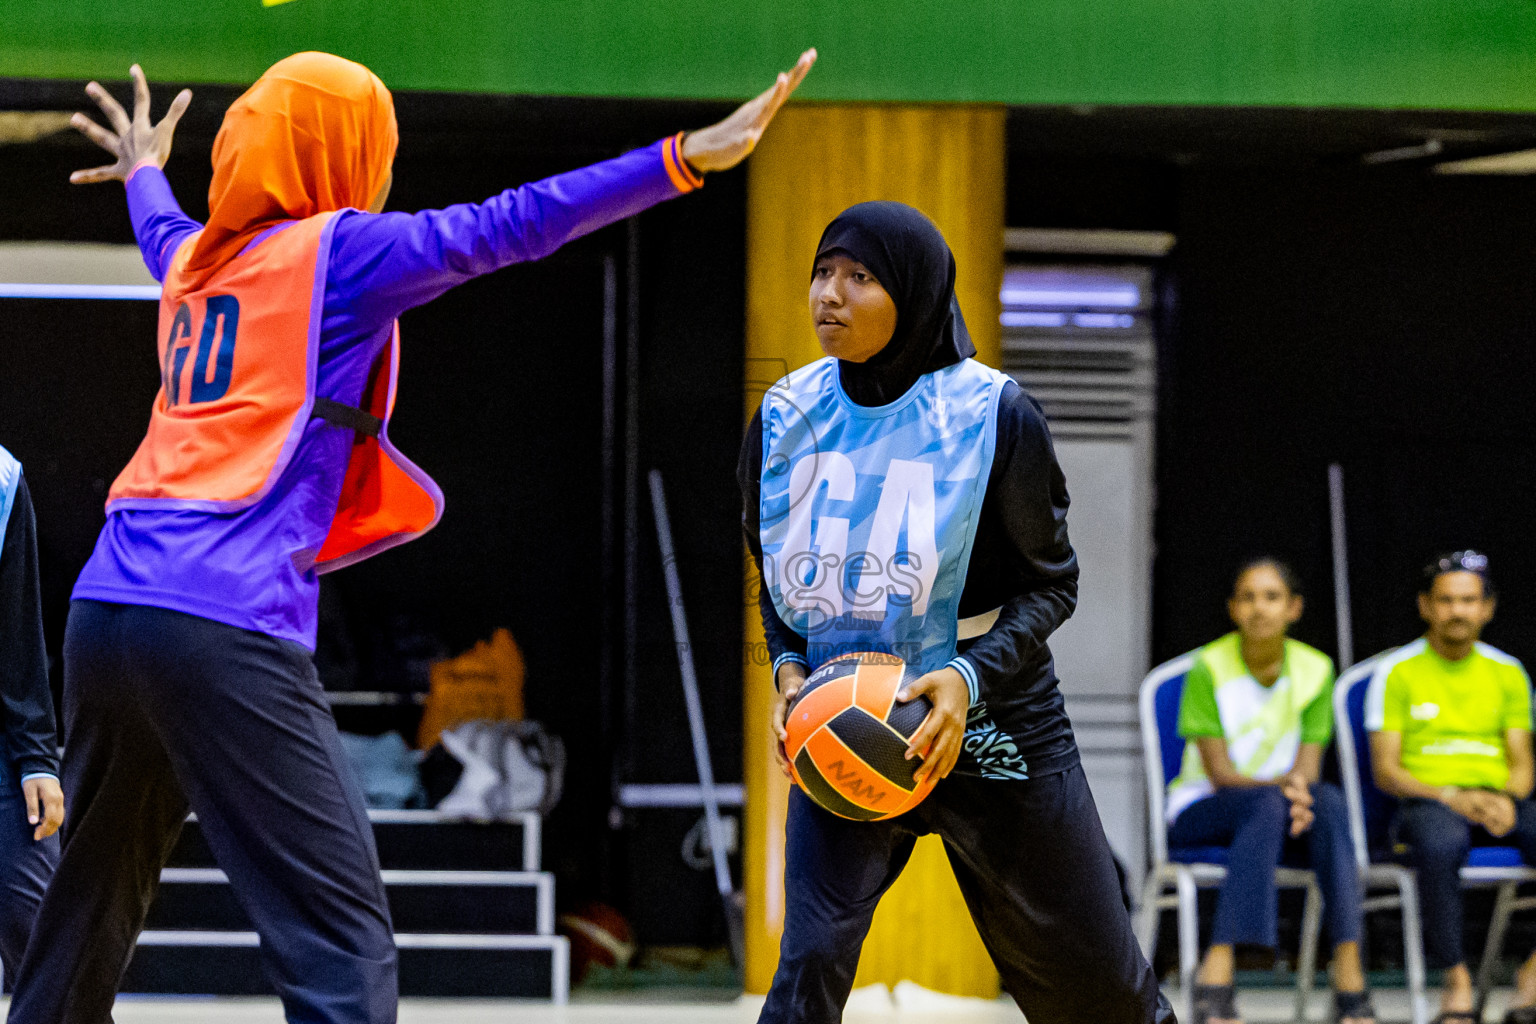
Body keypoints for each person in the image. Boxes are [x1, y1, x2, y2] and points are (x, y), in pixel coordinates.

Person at [13, 49, 814, 1023]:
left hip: (106, 614)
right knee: (341, 942)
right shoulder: (339, 255)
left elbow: (160, 221)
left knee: (85, 909)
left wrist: (145, 165)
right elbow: (512, 224)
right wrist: (682, 157)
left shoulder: (194, 263)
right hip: (219, 621)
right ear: (340, 153)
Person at [740, 201, 1173, 1024]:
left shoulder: (996, 414)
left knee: (1100, 991)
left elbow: (1053, 585)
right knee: (810, 967)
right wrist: (789, 665)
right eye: (822, 272)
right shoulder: (783, 418)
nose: (829, 294)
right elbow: (776, 574)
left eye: (859, 277)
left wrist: (968, 677)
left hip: (993, 718)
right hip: (846, 718)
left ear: (915, 292)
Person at [1165, 559, 1372, 1024]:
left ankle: (1348, 963)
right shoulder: (1208, 667)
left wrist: (1295, 795)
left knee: (1331, 801)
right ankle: (1219, 962)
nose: (1260, 608)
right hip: (1204, 806)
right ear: (1233, 609)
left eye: (1272, 596)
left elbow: (1309, 768)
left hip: (1280, 809)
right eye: (1248, 596)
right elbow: (1220, 773)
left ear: (1294, 608)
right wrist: (1288, 794)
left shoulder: (1317, 669)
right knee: (1266, 805)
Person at [1367, 551, 1536, 1024]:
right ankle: (1456, 980)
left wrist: (1506, 799)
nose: (1457, 611)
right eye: (1445, 601)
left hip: (1495, 796)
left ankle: (1533, 974)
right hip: (1426, 799)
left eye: (1468, 600)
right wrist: (1450, 797)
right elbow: (1386, 770)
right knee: (1441, 841)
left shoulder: (1508, 672)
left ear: (1487, 608)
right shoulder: (1396, 671)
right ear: (1425, 606)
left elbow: (1523, 765)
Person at [0, 446, 65, 978]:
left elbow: (18, 630)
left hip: (1, 749)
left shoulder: (2, 474)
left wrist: (37, 758)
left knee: (48, 945)